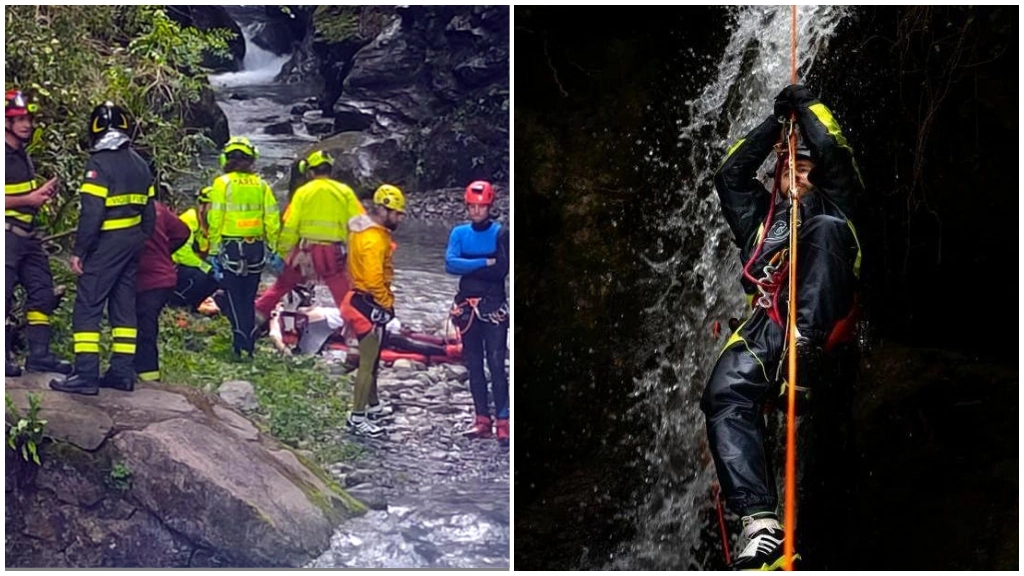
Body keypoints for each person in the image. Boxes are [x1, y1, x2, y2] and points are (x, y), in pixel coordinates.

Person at [700, 84, 862, 570]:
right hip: (768, 329)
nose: (799, 170)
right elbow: (729, 173)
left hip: (823, 329)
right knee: (723, 395)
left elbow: (832, 148)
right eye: (791, 165)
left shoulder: (837, 205)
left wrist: (806, 105)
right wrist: (775, 124)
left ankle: (804, 354)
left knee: (825, 231)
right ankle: (761, 527)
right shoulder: (760, 222)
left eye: (806, 166)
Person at [50, 102, 155, 395]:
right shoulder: (139, 163)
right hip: (133, 242)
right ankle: (121, 373)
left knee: (87, 305)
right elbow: (150, 214)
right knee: (123, 309)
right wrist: (138, 239)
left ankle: (85, 374)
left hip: (107, 244)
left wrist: (79, 252)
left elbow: (92, 214)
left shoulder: (99, 164)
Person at [4, 89, 73, 377]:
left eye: (28, 119)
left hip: (27, 237)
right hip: (6, 236)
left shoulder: (21, 154)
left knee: (42, 291)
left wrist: (40, 194)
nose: (26, 124)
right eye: (18, 119)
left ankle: (40, 355)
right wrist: (28, 200)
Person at [254, 150, 364, 327]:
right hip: (332, 253)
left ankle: (255, 319)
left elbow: (290, 226)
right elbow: (360, 224)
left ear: (310, 171)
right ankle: (357, 333)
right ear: (330, 170)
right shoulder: (345, 192)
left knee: (282, 286)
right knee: (343, 294)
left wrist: (282, 252)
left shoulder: (303, 192)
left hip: (305, 252)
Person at [445, 180, 510, 446]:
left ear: (489, 207)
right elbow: (450, 264)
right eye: (472, 207)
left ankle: (503, 421)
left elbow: (501, 270)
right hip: (467, 306)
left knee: (496, 363)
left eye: (480, 207)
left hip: (493, 306)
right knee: (473, 363)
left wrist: (468, 266)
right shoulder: (459, 233)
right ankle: (482, 419)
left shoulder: (501, 233)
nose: (475, 212)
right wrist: (484, 261)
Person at [340, 184, 406, 438]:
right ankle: (356, 416)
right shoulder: (373, 240)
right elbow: (373, 278)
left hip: (359, 298)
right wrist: (386, 304)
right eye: (397, 213)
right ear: (382, 209)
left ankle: (373, 406)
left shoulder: (364, 229)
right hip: (365, 302)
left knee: (374, 358)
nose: (400, 218)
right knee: (367, 361)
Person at [206, 136, 280, 359]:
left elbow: (215, 217)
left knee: (234, 297)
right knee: (248, 298)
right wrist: (274, 248)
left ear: (225, 160)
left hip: (231, 248)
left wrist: (213, 249)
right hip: (256, 248)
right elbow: (272, 219)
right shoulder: (262, 185)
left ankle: (242, 345)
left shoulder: (222, 183)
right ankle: (248, 344)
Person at [135, 200, 191, 383]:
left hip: (149, 279)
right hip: (160, 277)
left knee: (144, 326)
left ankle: (148, 375)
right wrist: (164, 251)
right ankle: (140, 371)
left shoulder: (128, 208)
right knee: (143, 325)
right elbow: (182, 232)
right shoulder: (156, 207)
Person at [169, 186, 220, 311]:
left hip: (193, 264)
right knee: (199, 275)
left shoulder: (214, 224)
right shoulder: (189, 219)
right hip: (174, 267)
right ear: (202, 206)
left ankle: (193, 307)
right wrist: (206, 267)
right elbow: (182, 253)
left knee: (218, 278)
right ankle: (175, 305)